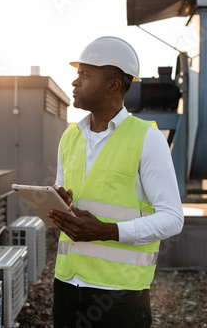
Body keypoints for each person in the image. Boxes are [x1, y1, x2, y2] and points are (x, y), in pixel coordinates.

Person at [47, 36, 184, 328]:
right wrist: (59, 203)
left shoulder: (147, 139)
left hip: (119, 294)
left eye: (84, 75)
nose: (75, 82)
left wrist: (108, 231)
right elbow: (66, 198)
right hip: (67, 284)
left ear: (113, 85)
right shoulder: (70, 136)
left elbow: (172, 219)